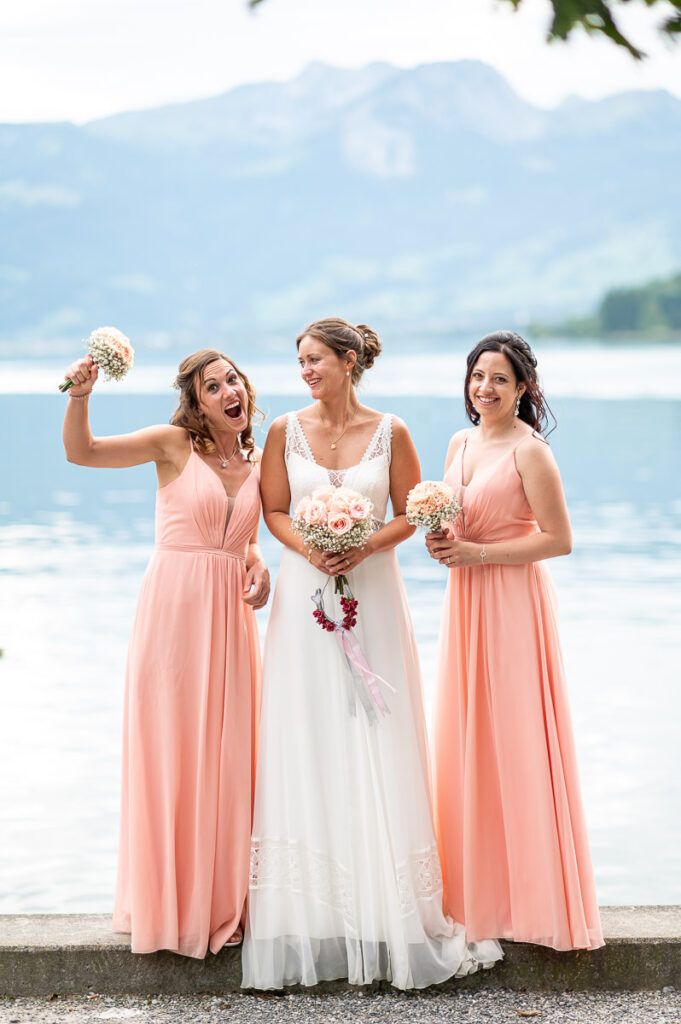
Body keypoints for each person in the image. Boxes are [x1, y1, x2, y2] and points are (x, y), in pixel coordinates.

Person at [241, 317, 502, 990]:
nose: (306, 371)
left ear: (349, 361)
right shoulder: (283, 431)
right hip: (304, 600)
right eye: (300, 361)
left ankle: (389, 908)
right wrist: (311, 546)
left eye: (316, 359)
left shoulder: (392, 431)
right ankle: (314, 916)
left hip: (375, 596)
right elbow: (274, 512)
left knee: (377, 729)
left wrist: (363, 545)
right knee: (310, 731)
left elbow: (412, 513)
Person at [62, 348, 269, 958]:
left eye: (233, 380)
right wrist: (80, 397)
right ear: (196, 403)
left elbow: (246, 537)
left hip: (231, 621)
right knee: (173, 749)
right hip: (174, 614)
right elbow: (83, 452)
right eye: (213, 387)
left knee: (229, 754)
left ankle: (221, 898)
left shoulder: (258, 461)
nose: (229, 391)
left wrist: (258, 563)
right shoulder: (173, 444)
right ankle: (170, 905)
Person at [426, 330, 603, 951]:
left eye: (499, 378)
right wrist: (442, 537)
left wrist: (477, 553)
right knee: (468, 737)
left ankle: (536, 902)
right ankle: (477, 899)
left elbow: (559, 539)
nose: (486, 388)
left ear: (522, 387)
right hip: (465, 602)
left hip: (511, 604)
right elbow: (455, 517)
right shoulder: (460, 442)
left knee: (518, 739)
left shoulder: (532, 452)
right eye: (478, 376)